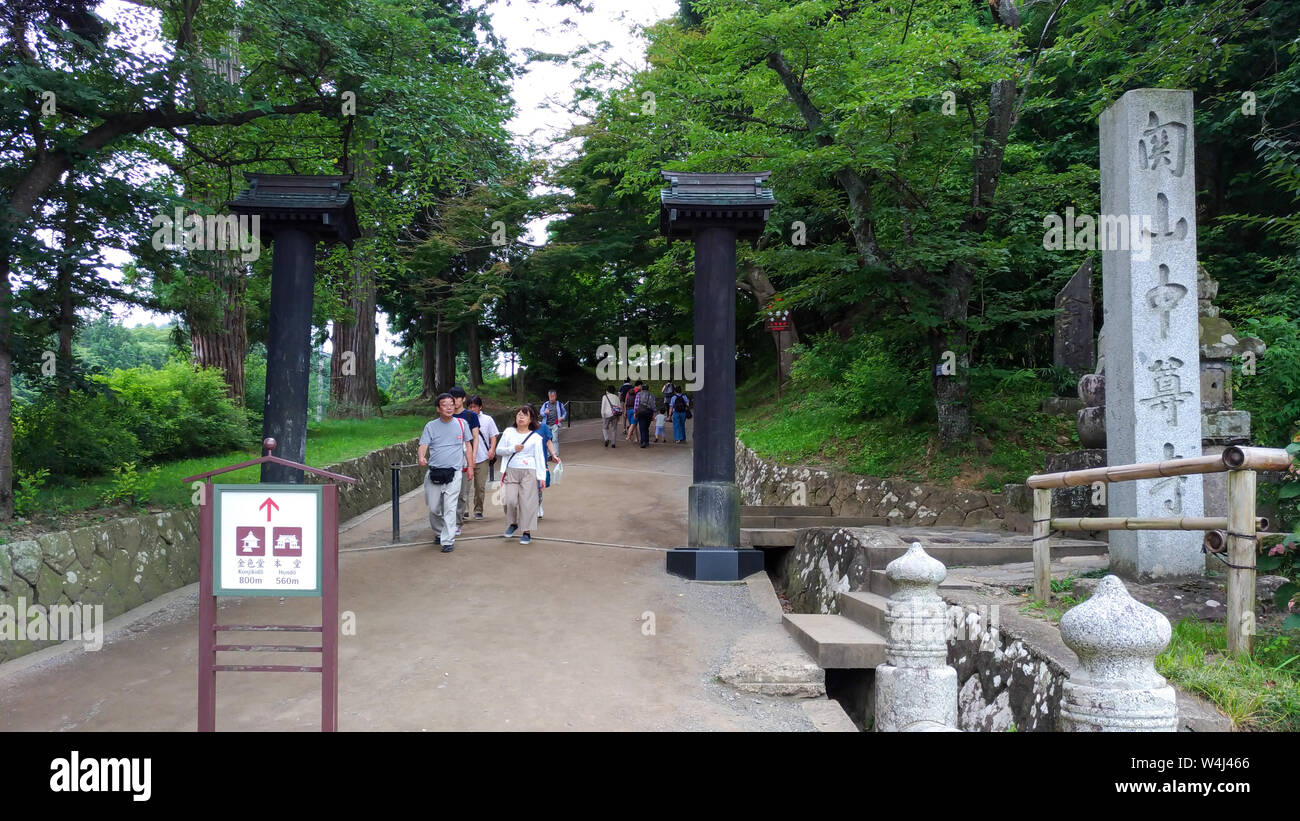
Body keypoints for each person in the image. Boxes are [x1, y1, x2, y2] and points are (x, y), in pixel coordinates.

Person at [418, 393, 473, 553]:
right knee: (434, 508)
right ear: (438, 408)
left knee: (450, 507)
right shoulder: (430, 426)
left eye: (451, 404)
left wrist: (470, 467)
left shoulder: (462, 424)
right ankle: (438, 532)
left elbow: (468, 446)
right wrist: (421, 457)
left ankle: (448, 540)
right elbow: (423, 444)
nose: (449, 407)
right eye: (445, 404)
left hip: (454, 473)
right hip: (434, 473)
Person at [497, 405, 547, 545]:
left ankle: (526, 531)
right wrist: (512, 449)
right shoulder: (508, 432)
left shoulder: (536, 437)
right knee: (509, 500)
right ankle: (513, 523)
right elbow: (499, 450)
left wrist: (541, 477)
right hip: (511, 470)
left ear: (531, 419)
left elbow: (540, 457)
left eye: (524, 415)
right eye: (519, 414)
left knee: (527, 503)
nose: (521, 417)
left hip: (529, 471)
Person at [449, 386, 480, 529]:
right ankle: (449, 521)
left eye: (457, 397)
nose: (454, 401)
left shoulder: (470, 416)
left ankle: (457, 522)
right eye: (452, 397)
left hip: (465, 456)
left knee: (462, 493)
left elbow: (475, 437)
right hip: (449, 458)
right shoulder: (447, 416)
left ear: (463, 399)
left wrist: (472, 459)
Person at [467, 396, 499, 519]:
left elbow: (493, 436)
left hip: (482, 458)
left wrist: (492, 449)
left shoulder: (487, 420)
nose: (472, 409)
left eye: (474, 406)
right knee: (464, 487)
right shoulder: (463, 419)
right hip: (466, 459)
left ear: (480, 407)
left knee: (480, 486)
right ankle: (463, 510)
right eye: (470, 406)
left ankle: (478, 509)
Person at [634, 383, 656, 448]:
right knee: (646, 427)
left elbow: (636, 404)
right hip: (649, 412)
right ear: (648, 388)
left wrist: (635, 413)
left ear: (642, 388)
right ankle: (646, 441)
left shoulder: (639, 394)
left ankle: (643, 442)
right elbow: (653, 406)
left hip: (641, 412)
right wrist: (653, 415)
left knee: (642, 427)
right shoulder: (652, 395)